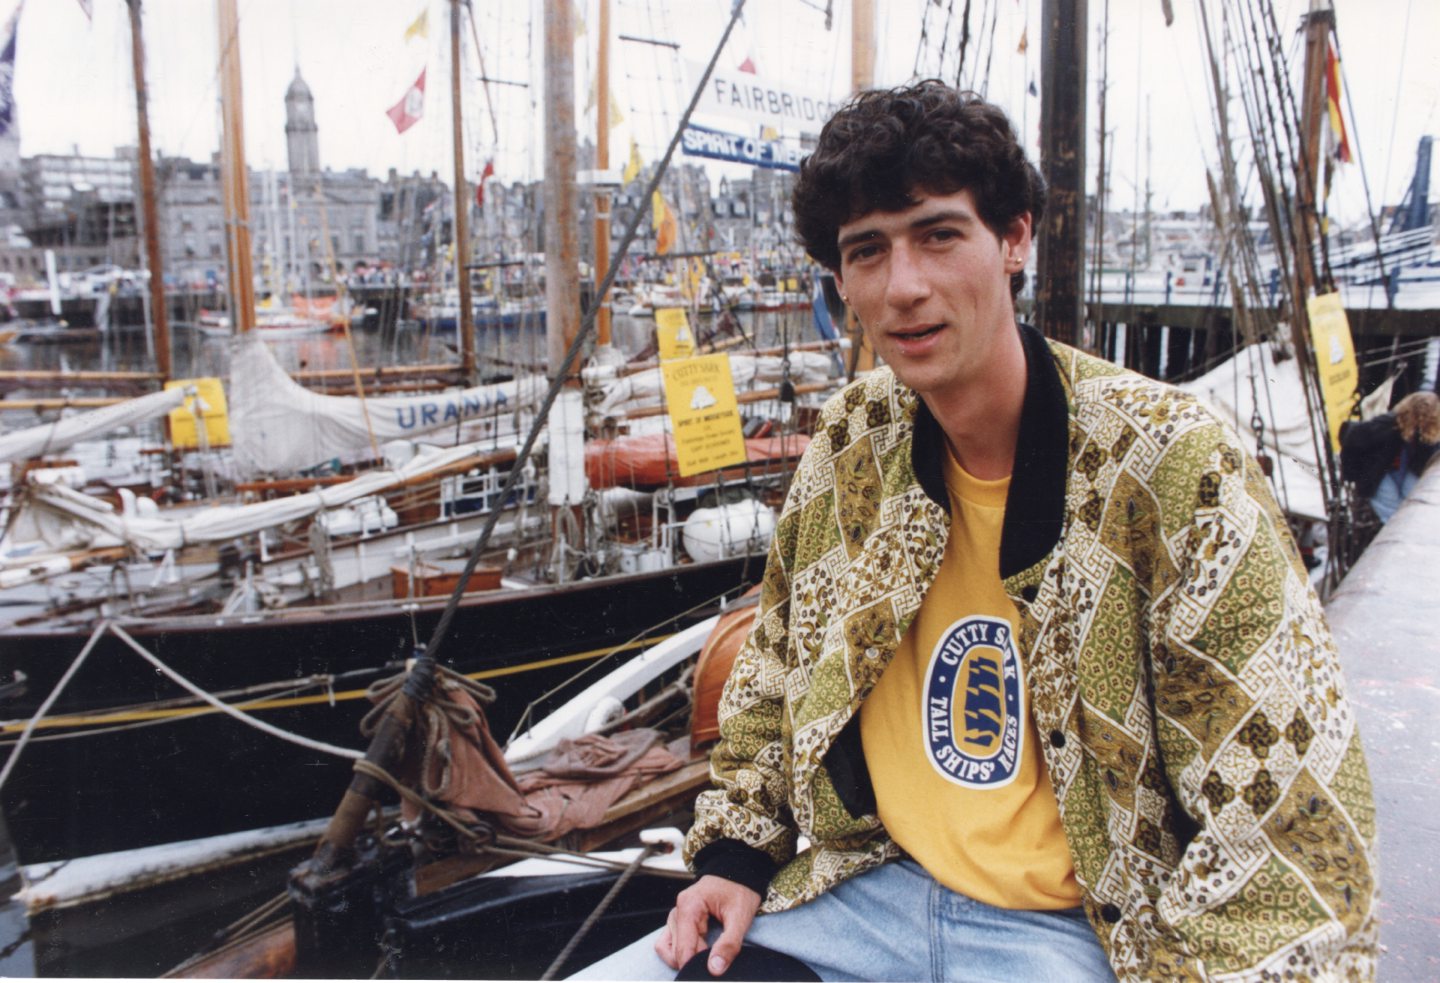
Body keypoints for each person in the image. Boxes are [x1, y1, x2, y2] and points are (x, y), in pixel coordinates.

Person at [575, 81, 1377, 982]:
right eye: (868, 251)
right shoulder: (848, 448)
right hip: (865, 888)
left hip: (1075, 932)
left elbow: (1289, 823)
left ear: (1014, 239)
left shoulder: (1173, 468)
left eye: (939, 234)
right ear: (842, 282)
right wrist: (733, 854)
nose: (904, 285)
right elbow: (770, 680)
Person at [1340, 390, 1440, 523]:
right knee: (1394, 515)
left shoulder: (1424, 434)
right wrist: (1353, 474)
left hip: (1401, 469)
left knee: (1411, 505)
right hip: (1378, 473)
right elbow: (1353, 437)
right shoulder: (1387, 425)